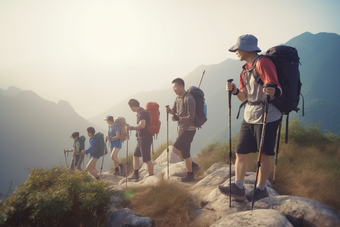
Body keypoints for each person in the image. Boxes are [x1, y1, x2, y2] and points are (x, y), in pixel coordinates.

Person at [219, 34, 282, 201]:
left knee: (264, 155)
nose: (235, 52)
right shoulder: (244, 70)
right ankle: (238, 187)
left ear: (246, 48)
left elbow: (276, 86)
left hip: (268, 115)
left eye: (237, 49)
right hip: (250, 114)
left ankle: (261, 189)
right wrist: (234, 91)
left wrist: (273, 90)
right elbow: (243, 97)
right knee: (240, 152)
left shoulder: (263, 63)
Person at [165, 78, 201, 182]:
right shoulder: (177, 99)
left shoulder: (189, 99)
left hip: (189, 130)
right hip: (181, 129)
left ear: (181, 86)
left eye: (175, 87)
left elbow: (191, 117)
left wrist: (178, 118)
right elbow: (176, 112)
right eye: (173, 88)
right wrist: (170, 111)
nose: (174, 89)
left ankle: (193, 166)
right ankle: (190, 174)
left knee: (175, 149)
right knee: (186, 153)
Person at [126, 99, 154, 180]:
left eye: (130, 107)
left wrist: (131, 127)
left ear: (133, 106)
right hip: (141, 138)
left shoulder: (142, 113)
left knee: (147, 159)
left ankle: (151, 177)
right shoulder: (140, 112)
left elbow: (142, 125)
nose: (130, 109)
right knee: (135, 155)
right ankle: (135, 174)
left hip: (145, 139)